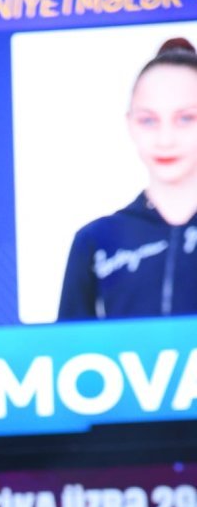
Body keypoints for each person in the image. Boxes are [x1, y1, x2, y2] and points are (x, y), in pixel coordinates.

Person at [58, 37, 197, 320]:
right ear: (131, 123)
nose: (165, 139)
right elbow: (67, 353)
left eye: (185, 118)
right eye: (149, 119)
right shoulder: (95, 240)